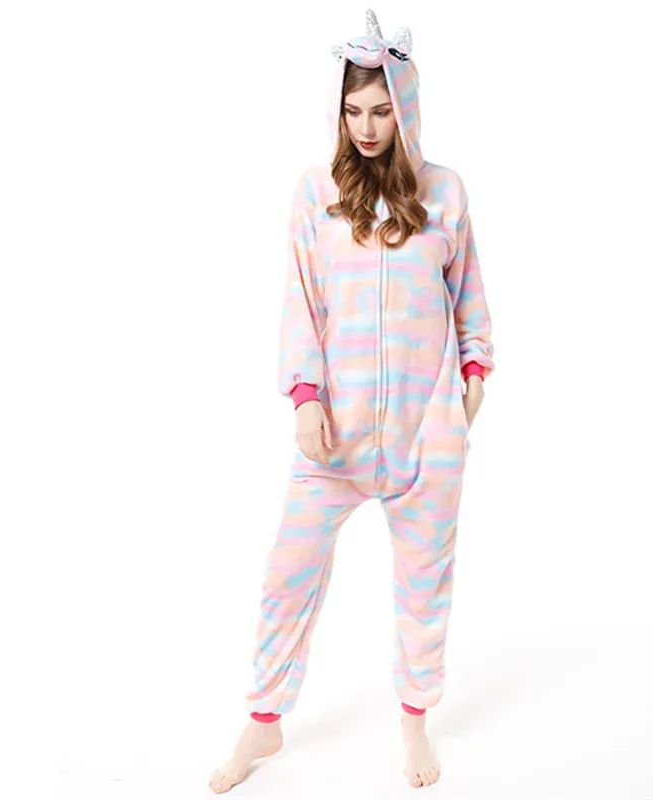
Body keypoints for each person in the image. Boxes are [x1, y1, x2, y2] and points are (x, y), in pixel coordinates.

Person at [209, 8, 494, 793]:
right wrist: (305, 397)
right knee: (288, 573)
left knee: (425, 585)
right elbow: (301, 304)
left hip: (424, 437)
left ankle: (415, 720)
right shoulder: (317, 194)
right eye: (352, 111)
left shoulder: (444, 193)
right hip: (333, 437)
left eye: (380, 111)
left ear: (406, 109)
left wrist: (472, 384)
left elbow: (469, 297)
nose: (365, 127)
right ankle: (264, 720)